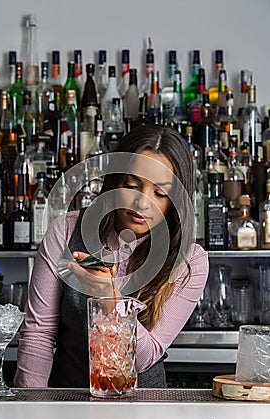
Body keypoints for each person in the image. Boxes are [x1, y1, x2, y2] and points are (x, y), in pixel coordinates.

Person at [14, 123, 209, 389]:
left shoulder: (190, 261)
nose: (143, 203)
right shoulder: (67, 231)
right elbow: (39, 334)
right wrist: (31, 408)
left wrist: (111, 300)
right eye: (132, 185)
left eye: (160, 193)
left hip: (144, 409)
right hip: (67, 399)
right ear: (115, 181)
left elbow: (145, 357)